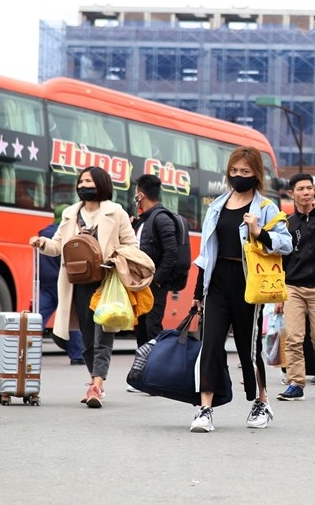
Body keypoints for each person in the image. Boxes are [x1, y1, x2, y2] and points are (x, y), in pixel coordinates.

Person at [189, 146, 293, 433]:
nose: (238, 176)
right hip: (218, 278)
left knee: (249, 348)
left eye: (245, 172)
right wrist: (199, 292)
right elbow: (206, 253)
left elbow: (286, 244)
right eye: (234, 171)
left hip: (250, 281)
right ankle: (205, 408)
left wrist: (260, 232)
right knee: (210, 343)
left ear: (256, 174)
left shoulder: (266, 208)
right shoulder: (216, 206)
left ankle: (261, 400)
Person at [29, 167, 138, 408]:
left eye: (88, 180)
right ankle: (94, 380)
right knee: (88, 338)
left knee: (103, 335)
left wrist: (114, 258)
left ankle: (97, 384)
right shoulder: (70, 213)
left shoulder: (115, 212)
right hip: (77, 284)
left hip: (107, 283)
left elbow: (132, 244)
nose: (83, 184)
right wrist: (42, 243)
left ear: (101, 184)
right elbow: (57, 246)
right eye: (81, 181)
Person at [275, 173, 315, 401]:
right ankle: (295, 382)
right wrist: (280, 293)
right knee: (293, 337)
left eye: (309, 188)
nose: (306, 193)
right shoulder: (287, 223)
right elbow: (281, 260)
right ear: (292, 194)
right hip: (293, 287)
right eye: (301, 189)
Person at [130, 174, 180, 348]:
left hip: (154, 284)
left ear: (140, 195)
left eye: (136, 192)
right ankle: (143, 369)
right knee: (140, 327)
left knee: (152, 327)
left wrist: (157, 280)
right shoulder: (144, 219)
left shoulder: (161, 218)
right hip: (141, 283)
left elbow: (171, 252)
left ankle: (156, 368)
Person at [38, 204, 85, 365]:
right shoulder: (67, 233)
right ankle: (77, 355)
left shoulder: (44, 233)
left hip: (45, 284)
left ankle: (27, 349)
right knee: (70, 318)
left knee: (37, 318)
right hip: (61, 283)